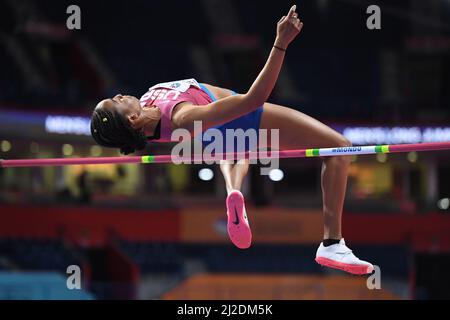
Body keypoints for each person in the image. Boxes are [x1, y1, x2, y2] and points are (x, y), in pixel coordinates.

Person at [90, 5, 374, 275]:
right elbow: (253, 99)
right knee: (338, 148)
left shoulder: (146, 104)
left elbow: (132, 127)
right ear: (130, 120)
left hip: (217, 133)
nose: (119, 96)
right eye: (116, 102)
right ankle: (332, 244)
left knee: (235, 146)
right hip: (241, 116)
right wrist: (281, 43)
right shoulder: (181, 118)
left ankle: (233, 191)